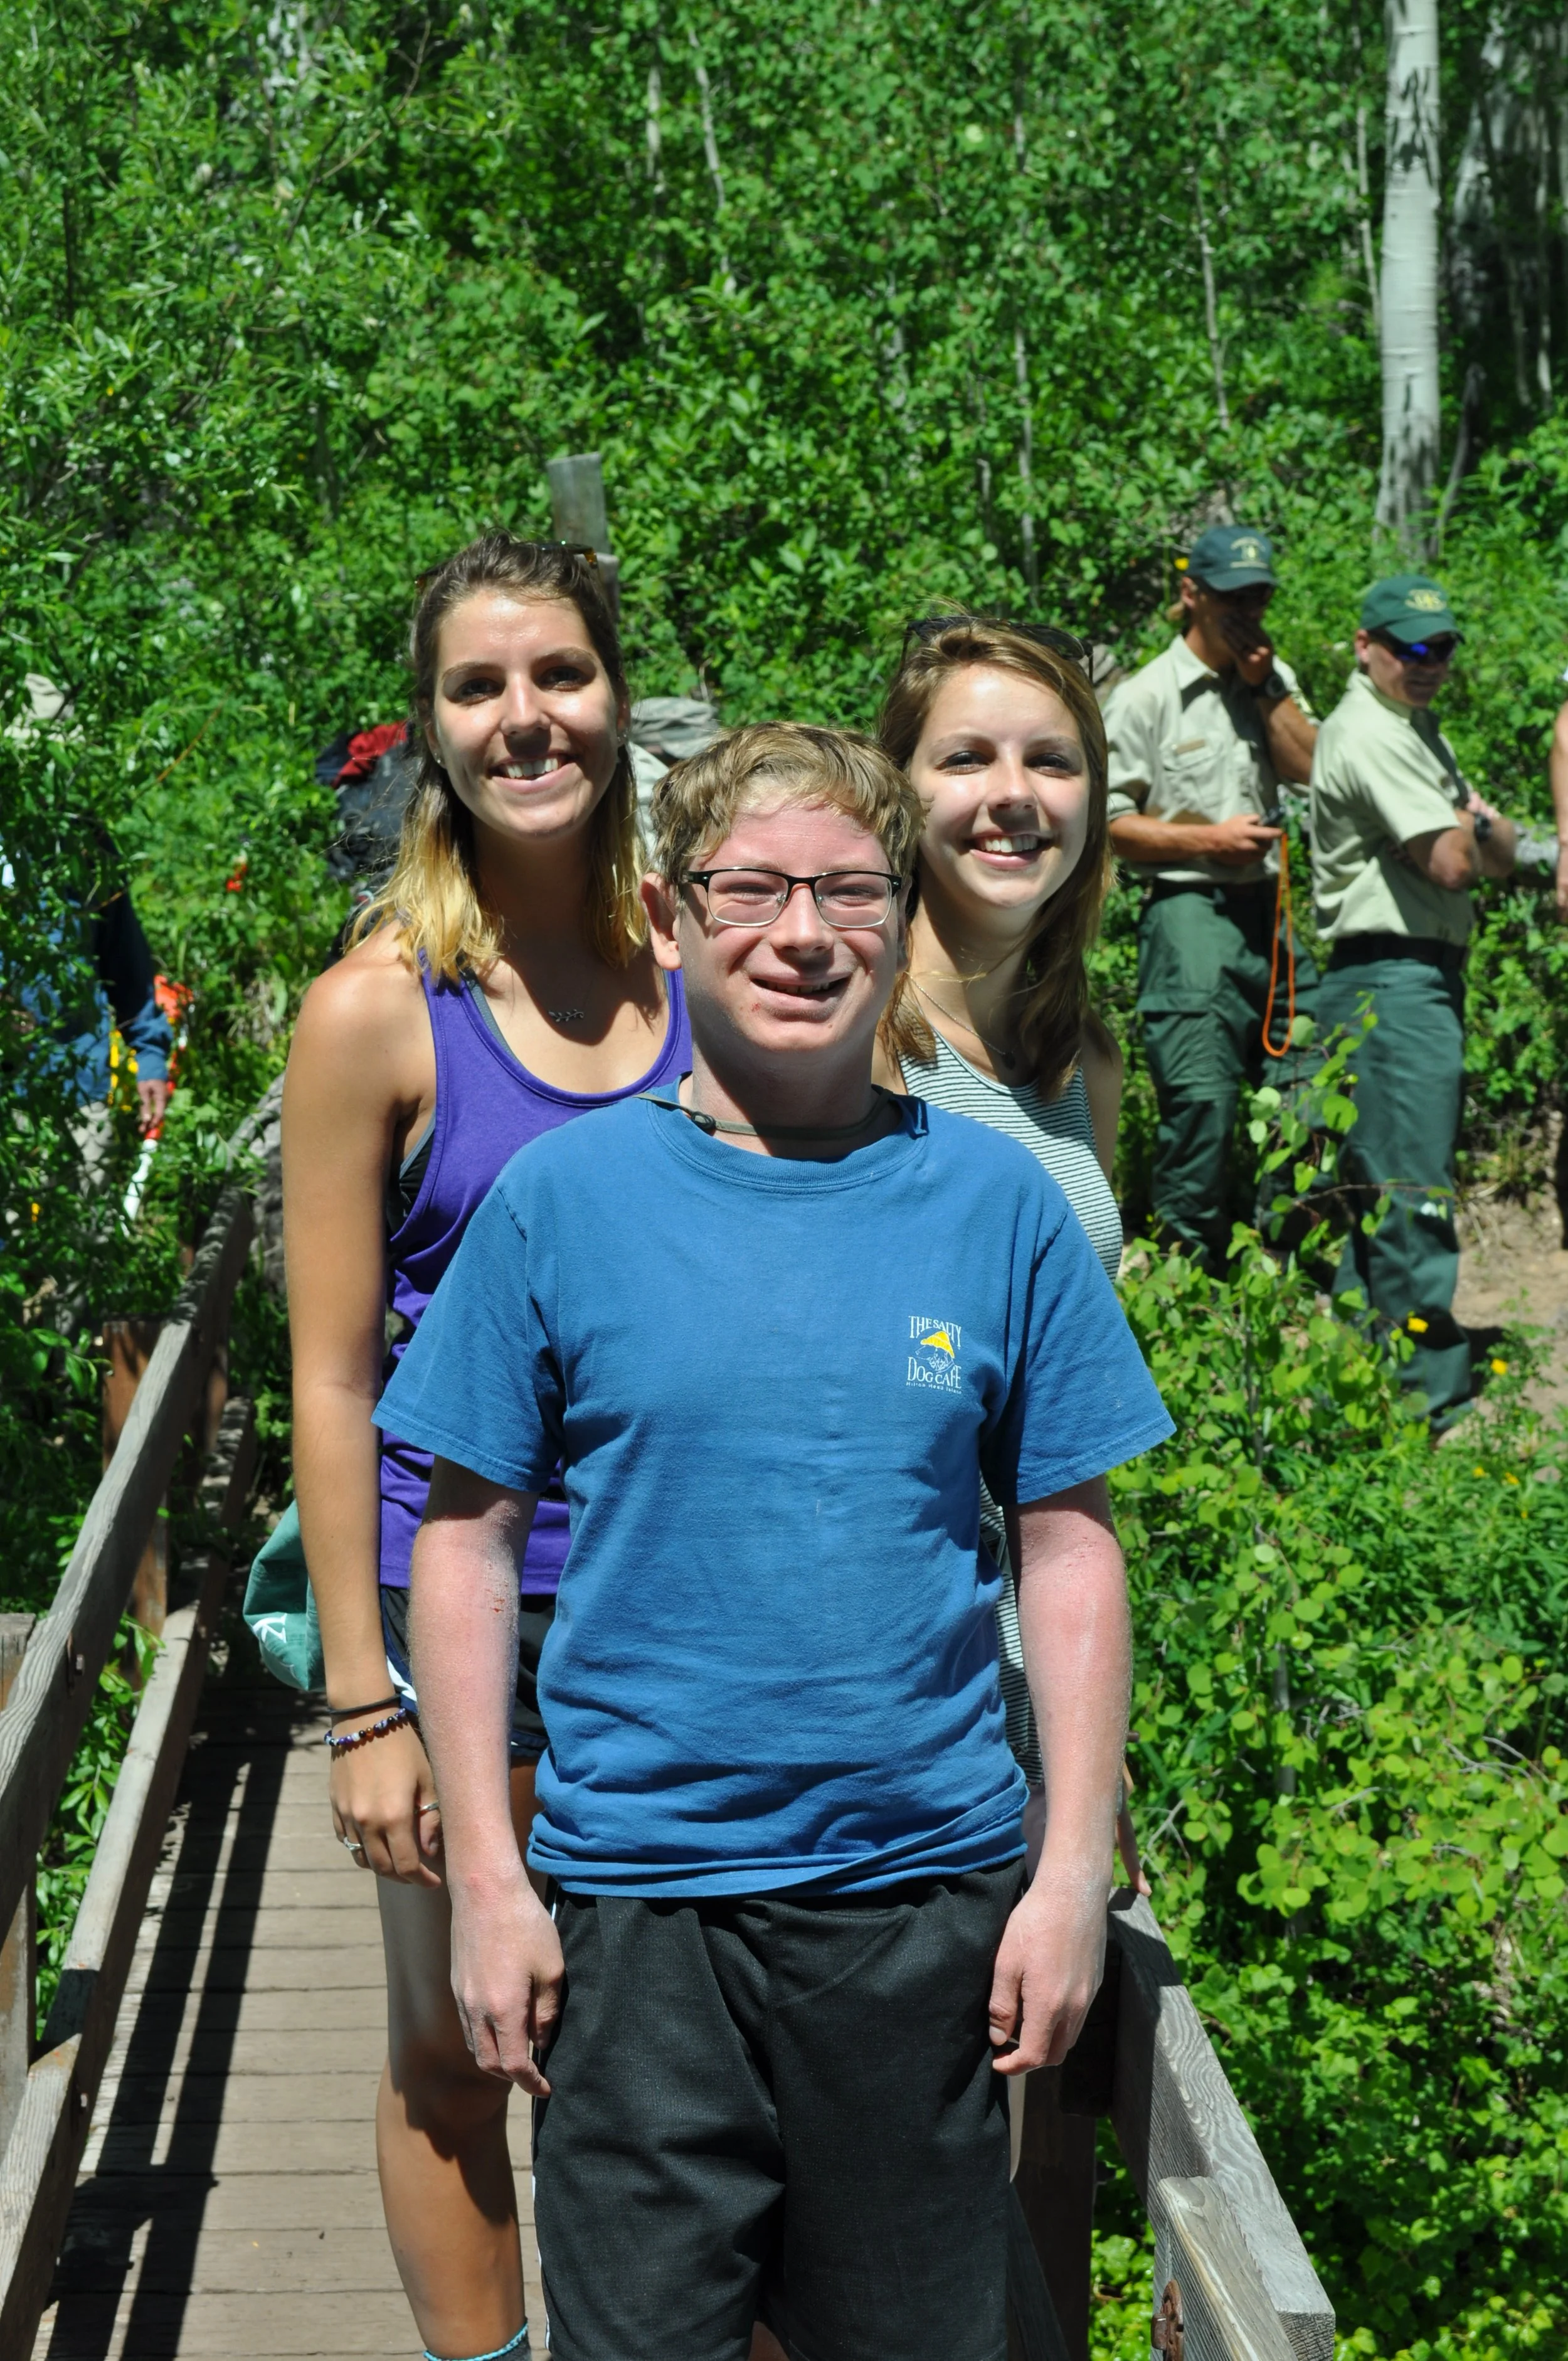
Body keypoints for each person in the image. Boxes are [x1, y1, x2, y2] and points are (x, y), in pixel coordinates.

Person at [379, 723, 1173, 2361]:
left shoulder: (994, 1205)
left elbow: (1068, 1546)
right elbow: (464, 1541)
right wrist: (489, 1883)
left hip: (920, 1913)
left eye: (848, 892)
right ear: (667, 917)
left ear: (899, 917)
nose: (801, 934)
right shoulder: (560, 1200)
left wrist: (1070, 1870)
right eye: (749, 890)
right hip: (633, 1920)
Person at [282, 533, 690, 2361]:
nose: (526, 717)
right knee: (461, 2041)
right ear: (431, 727)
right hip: (461, 1605)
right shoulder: (377, 1009)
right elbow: (330, 1379)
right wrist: (358, 1708)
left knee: (665, 2047)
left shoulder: (703, 953)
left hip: (682, 1595)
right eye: (477, 685)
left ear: (618, 693)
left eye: (560, 673)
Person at [1310, 572, 1517, 1426]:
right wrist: (1474, 826)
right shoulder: (1370, 732)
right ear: (1366, 646)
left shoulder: (1415, 729)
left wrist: (1474, 827)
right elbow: (1462, 863)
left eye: (1443, 648)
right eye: (1410, 648)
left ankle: (1366, 1388)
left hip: (1414, 976)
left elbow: (1495, 847)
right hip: (1390, 981)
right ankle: (1429, 1399)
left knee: (1385, 1191)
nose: (1429, 662)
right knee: (1411, 1194)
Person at [1103, 523, 1318, 1269]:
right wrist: (1208, 841)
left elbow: (1312, 768)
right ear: (1191, 592)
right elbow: (1108, 825)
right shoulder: (1145, 697)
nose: (1247, 611)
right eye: (1232, 596)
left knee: (1309, 1078)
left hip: (1270, 912)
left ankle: (1284, 1258)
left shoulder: (1273, 676)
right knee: (1201, 1098)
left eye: (1258, 596)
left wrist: (1264, 687)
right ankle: (1191, 1270)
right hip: (1188, 911)